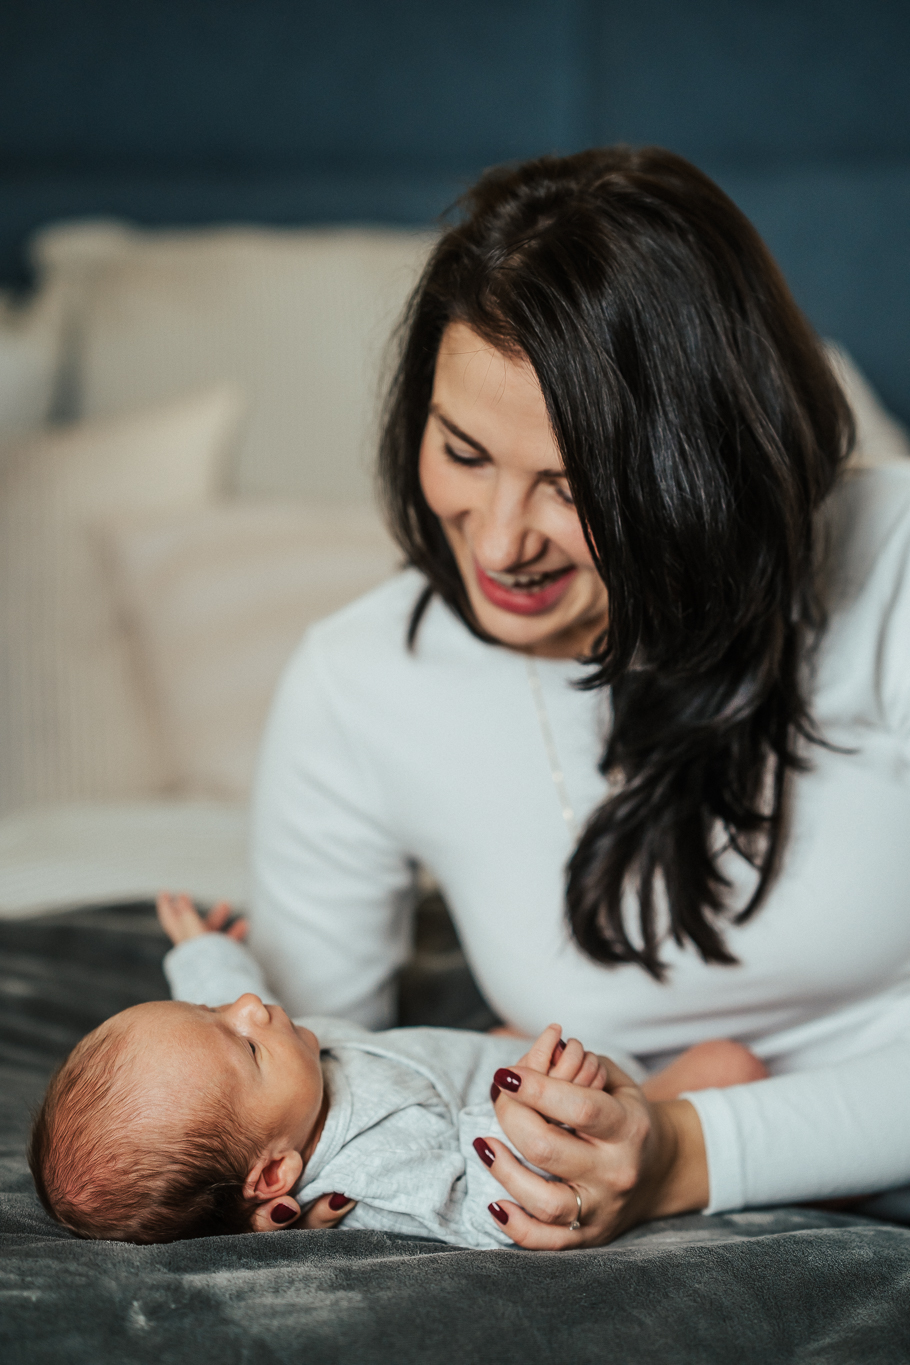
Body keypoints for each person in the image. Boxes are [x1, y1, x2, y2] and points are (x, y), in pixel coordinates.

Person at [243, 145, 910, 1247]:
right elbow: (318, 1091)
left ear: (700, 469)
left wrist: (681, 1153)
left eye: (574, 485)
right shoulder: (355, 686)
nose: (500, 541)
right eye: (463, 451)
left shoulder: (888, 574)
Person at [26, 894, 764, 1246]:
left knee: (512, 1022)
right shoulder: (371, 1167)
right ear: (275, 1177)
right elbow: (476, 1206)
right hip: (569, 1125)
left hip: (473, 1060)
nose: (251, 1006)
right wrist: (529, 1118)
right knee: (732, 1064)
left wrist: (201, 954)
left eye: (215, 1005)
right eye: (243, 1043)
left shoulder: (279, 1087)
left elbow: (219, 1020)